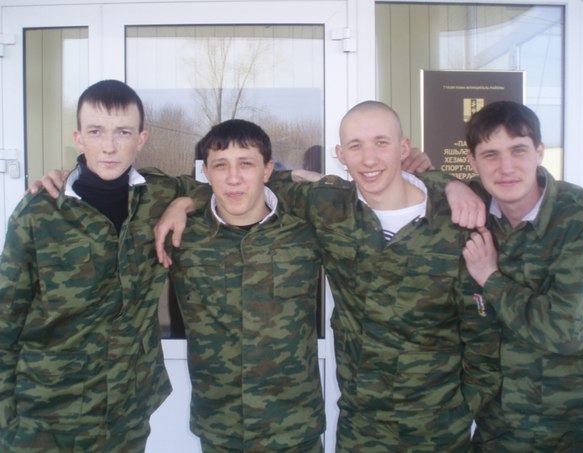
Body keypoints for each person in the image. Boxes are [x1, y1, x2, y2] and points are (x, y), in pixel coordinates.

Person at [157, 101, 500, 452]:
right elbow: (242, 184)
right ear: (341, 154)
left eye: (381, 142)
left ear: (404, 148)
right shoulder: (325, 210)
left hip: (437, 426)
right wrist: (186, 200)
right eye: (356, 146)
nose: (369, 158)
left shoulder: (452, 219)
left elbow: (481, 327)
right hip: (353, 425)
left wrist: (448, 182)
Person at [0, 79, 201, 451]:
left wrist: (182, 204)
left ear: (141, 139)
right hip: (46, 410)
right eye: (96, 132)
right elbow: (6, 316)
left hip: (126, 409)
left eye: (123, 132)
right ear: (78, 138)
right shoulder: (39, 211)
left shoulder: (159, 194)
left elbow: (230, 185)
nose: (109, 146)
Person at [168, 119, 325, 452]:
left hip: (295, 429)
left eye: (246, 164)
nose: (234, 177)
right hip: (220, 430)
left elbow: (370, 194)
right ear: (205, 172)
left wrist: (434, 179)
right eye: (220, 165)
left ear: (267, 170)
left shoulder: (306, 230)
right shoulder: (183, 236)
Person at [462, 100, 583, 451]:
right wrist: (449, 186)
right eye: (490, 155)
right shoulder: (472, 210)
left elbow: (565, 332)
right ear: (473, 162)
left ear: (539, 152)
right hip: (499, 427)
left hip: (576, 426)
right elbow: (413, 185)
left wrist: (490, 278)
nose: (506, 167)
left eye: (518, 150)